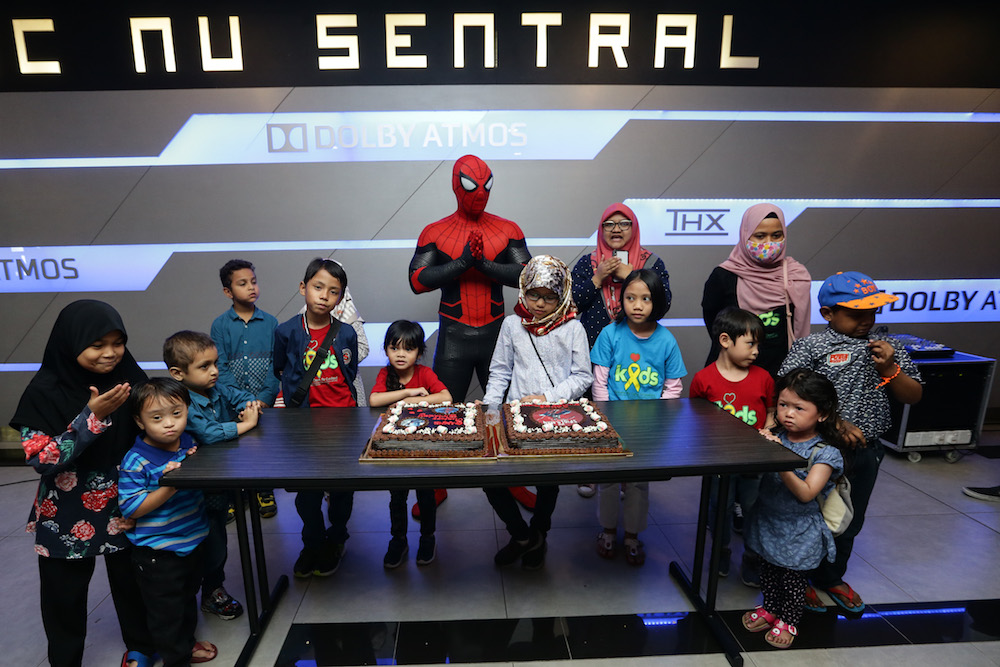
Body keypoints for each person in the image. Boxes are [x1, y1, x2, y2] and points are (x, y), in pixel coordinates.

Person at [10, 299, 155, 667]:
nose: (110, 354)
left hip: (124, 501)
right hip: (66, 509)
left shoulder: (130, 378)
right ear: (71, 343)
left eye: (117, 342)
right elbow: (41, 459)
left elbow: (156, 427)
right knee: (64, 596)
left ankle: (141, 647)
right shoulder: (44, 390)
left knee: (133, 584)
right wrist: (91, 417)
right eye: (97, 345)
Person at [779, 271, 922, 613]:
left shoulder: (888, 349)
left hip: (866, 451)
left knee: (847, 518)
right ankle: (799, 578)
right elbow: (787, 390)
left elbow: (913, 395)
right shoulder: (812, 347)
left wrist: (891, 369)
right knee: (807, 516)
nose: (866, 321)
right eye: (856, 313)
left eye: (872, 312)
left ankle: (830, 577)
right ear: (828, 314)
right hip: (817, 450)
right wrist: (835, 424)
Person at [409, 154, 532, 514]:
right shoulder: (435, 231)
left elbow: (527, 277)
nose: (479, 193)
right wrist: (463, 263)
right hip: (454, 337)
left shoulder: (506, 229)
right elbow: (416, 280)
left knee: (507, 414)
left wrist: (483, 265)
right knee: (442, 415)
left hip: (497, 335)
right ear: (455, 184)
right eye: (470, 185)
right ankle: (437, 484)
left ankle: (512, 482)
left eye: (485, 185)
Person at [481, 255, 593, 569]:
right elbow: (500, 371)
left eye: (549, 297)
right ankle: (521, 536)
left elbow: (582, 376)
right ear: (523, 290)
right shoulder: (512, 324)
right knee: (492, 479)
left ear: (562, 295)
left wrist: (547, 397)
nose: (540, 304)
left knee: (548, 483)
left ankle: (539, 534)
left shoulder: (573, 327)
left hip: (557, 417)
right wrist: (491, 409)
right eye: (533, 295)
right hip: (514, 416)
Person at [571, 202, 672, 498]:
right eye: (609, 224)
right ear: (601, 230)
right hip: (593, 351)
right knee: (591, 412)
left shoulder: (652, 262)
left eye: (624, 223)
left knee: (633, 413)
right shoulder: (588, 263)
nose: (616, 229)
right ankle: (592, 472)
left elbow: (664, 305)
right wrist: (597, 277)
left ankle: (631, 473)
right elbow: (571, 304)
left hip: (639, 350)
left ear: (634, 228)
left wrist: (634, 275)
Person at [742, 368, 847, 649]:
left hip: (798, 529)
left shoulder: (824, 453)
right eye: (783, 405)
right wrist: (759, 447)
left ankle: (789, 620)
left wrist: (780, 460)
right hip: (768, 519)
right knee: (768, 571)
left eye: (799, 408)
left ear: (822, 414)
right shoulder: (779, 437)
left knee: (792, 581)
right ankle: (770, 608)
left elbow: (806, 493)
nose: (788, 413)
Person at [119, 378, 218, 666]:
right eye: (157, 417)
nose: (169, 424)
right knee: (166, 613)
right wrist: (170, 485)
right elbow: (132, 507)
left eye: (177, 413)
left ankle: (186, 645)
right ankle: (177, 659)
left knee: (187, 599)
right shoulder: (136, 460)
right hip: (157, 553)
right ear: (140, 421)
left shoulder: (188, 442)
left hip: (191, 541)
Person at [164, 330, 260, 621]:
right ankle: (194, 596)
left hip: (218, 483)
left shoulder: (217, 390)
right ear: (178, 373)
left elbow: (244, 397)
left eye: (215, 363)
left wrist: (248, 407)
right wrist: (245, 425)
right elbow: (208, 434)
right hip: (192, 490)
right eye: (204, 367)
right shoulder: (182, 402)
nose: (215, 372)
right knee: (201, 545)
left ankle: (212, 590)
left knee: (217, 541)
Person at [591, 269, 686, 565]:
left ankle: (632, 535)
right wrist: (605, 420)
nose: (637, 305)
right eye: (630, 297)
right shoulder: (610, 333)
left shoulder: (667, 340)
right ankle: (607, 530)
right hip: (612, 423)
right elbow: (600, 381)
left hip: (648, 427)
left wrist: (658, 420)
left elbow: (673, 387)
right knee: (607, 481)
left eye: (645, 299)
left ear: (657, 302)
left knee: (638, 483)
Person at [274, 257, 359, 578]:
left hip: (342, 426)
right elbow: (280, 370)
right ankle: (312, 541)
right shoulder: (286, 332)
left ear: (341, 297)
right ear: (303, 288)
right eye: (318, 287)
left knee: (341, 490)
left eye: (333, 291)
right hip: (303, 427)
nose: (324, 295)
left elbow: (348, 374)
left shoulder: (346, 333)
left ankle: (337, 537)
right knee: (306, 492)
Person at [690, 307, 776, 585]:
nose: (756, 351)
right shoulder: (703, 379)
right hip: (718, 461)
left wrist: (769, 428)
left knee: (753, 508)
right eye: (750, 344)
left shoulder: (763, 378)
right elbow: (694, 418)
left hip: (753, 461)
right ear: (726, 340)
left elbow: (772, 412)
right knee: (719, 508)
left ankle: (752, 556)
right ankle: (721, 551)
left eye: (758, 345)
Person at [369, 320, 453, 568]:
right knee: (397, 496)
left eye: (408, 349)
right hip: (394, 449)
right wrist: (408, 393)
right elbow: (374, 400)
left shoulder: (425, 373)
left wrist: (411, 403)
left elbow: (446, 397)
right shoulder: (386, 374)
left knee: (426, 495)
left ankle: (428, 537)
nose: (401, 354)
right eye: (395, 348)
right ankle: (398, 539)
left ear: (419, 352)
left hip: (423, 448)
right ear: (385, 350)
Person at [701, 203, 812, 377]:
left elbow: (800, 330)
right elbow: (713, 324)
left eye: (776, 235)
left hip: (781, 376)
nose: (768, 243)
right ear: (746, 235)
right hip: (731, 375)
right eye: (760, 236)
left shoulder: (795, 275)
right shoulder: (723, 276)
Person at [210, 259, 280, 518]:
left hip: (263, 403)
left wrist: (262, 399)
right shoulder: (220, 325)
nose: (251, 287)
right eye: (242, 284)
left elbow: (276, 366)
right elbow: (220, 367)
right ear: (228, 292)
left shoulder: (271, 323)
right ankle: (237, 494)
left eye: (253, 281)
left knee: (263, 446)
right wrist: (242, 401)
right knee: (235, 448)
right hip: (232, 402)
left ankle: (264, 490)